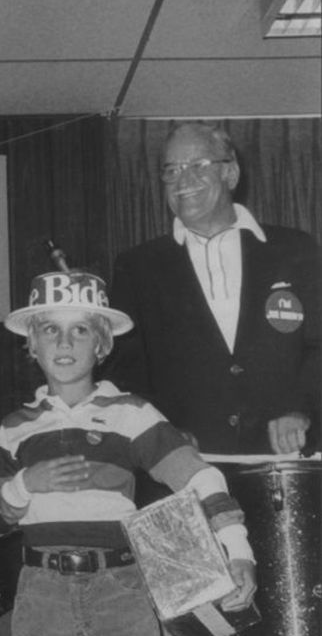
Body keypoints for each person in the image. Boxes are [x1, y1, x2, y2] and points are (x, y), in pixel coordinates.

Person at [0, 269, 256, 636]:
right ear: (32, 344)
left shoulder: (132, 414)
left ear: (102, 345)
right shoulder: (14, 427)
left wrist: (239, 550)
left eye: (80, 330)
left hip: (120, 591)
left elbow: (202, 477)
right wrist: (23, 485)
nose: (63, 341)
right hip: (41, 594)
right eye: (49, 330)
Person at [109, 121, 320, 455]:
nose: (183, 180)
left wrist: (302, 410)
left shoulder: (296, 250)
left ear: (231, 173)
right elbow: (126, 372)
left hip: (287, 460)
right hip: (187, 469)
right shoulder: (137, 267)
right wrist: (162, 433)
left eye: (198, 166)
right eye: (172, 170)